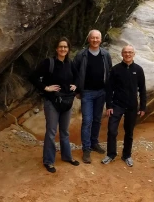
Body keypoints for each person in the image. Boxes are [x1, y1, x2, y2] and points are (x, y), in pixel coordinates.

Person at [30, 37, 79, 173]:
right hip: (52, 102)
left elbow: (77, 76)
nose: (63, 49)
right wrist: (46, 88)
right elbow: (33, 77)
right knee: (51, 132)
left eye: (65, 47)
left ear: (68, 49)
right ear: (56, 49)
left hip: (67, 102)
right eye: (60, 47)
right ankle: (49, 161)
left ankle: (67, 156)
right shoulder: (49, 63)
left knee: (64, 131)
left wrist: (76, 85)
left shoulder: (70, 63)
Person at [72, 30, 113, 164]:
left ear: (100, 40)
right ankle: (86, 149)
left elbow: (110, 73)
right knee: (87, 121)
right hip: (87, 93)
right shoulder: (81, 55)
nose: (95, 40)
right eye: (93, 38)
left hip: (101, 92)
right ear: (89, 39)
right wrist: (77, 90)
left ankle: (94, 143)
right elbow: (74, 72)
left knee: (97, 120)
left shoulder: (105, 55)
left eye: (97, 38)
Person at [102, 45, 146, 167]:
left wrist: (142, 107)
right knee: (112, 130)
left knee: (129, 132)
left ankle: (126, 155)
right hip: (117, 105)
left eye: (130, 52)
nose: (127, 54)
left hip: (132, 106)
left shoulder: (138, 70)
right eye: (125, 52)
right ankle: (111, 154)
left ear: (134, 54)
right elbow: (109, 89)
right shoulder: (115, 69)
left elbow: (142, 89)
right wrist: (109, 105)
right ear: (122, 54)